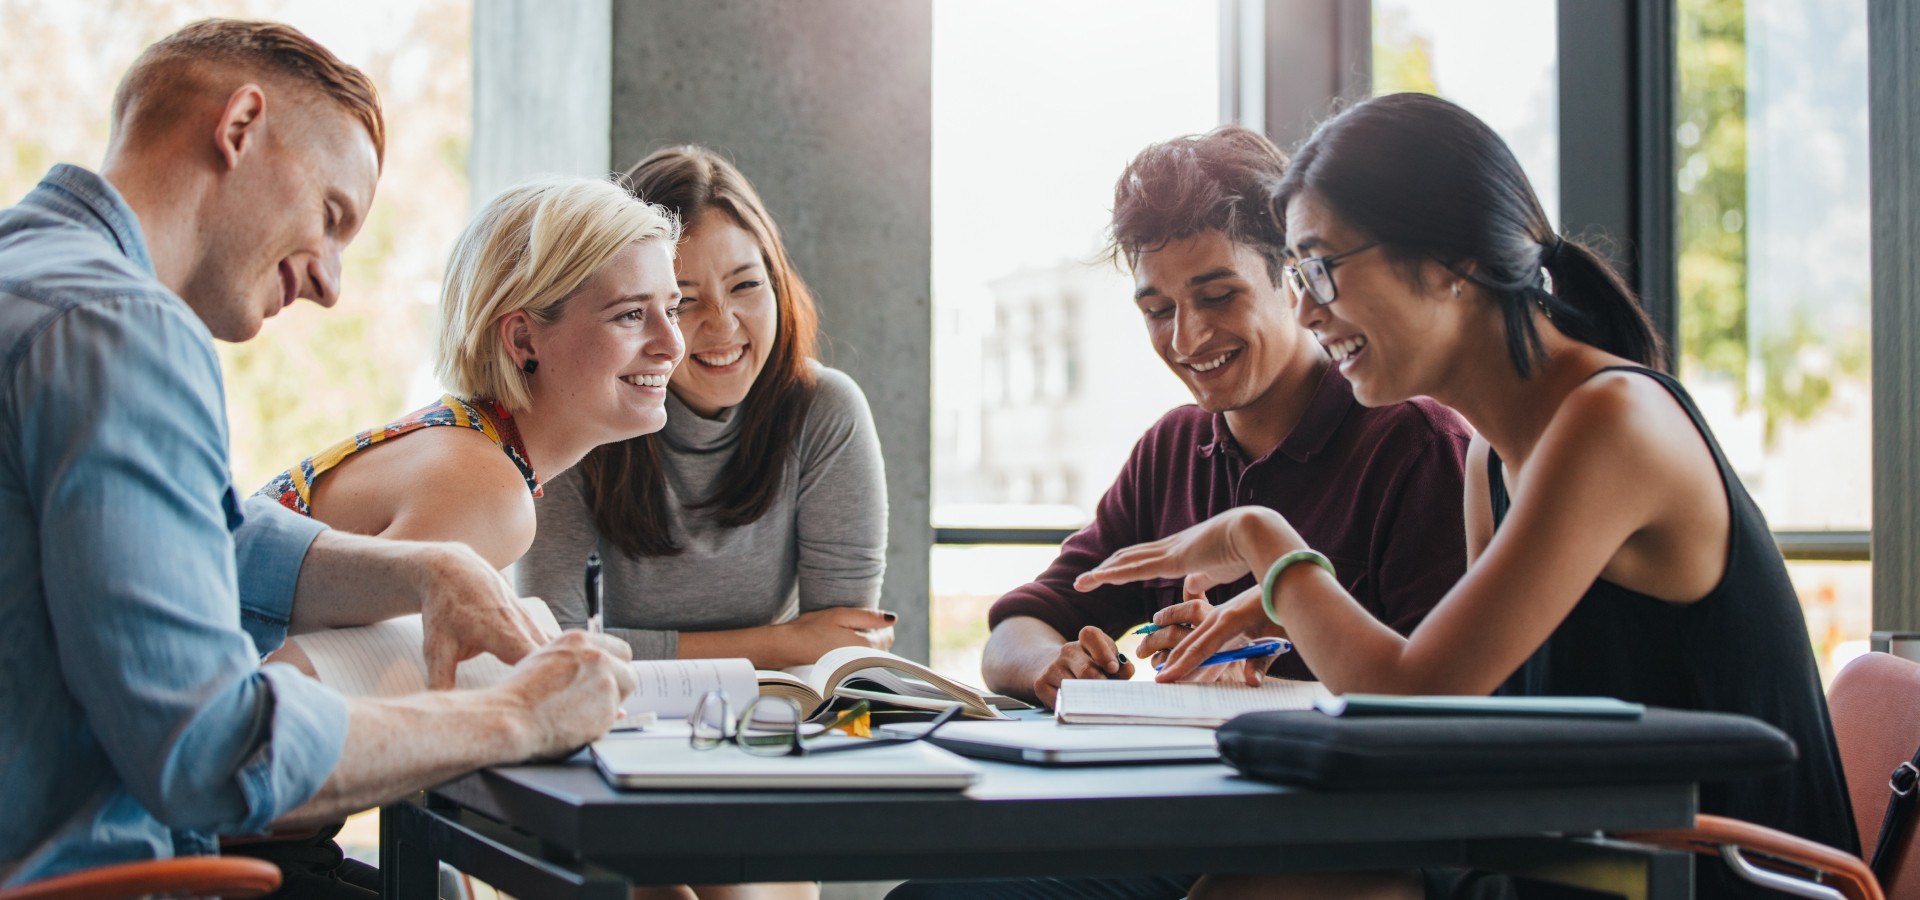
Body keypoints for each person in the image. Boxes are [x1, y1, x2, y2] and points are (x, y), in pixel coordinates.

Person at [1079, 93, 1858, 900]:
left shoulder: (1610, 423)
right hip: (1584, 861)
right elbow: (1460, 719)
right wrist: (1287, 609)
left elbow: (1411, 697)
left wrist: (1262, 541)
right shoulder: (1493, 453)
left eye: (1321, 268)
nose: (1307, 311)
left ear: (1456, 262)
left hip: (1707, 877)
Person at [0, 19, 636, 893]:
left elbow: (205, 540)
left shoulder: (29, 277)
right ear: (240, 128)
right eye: (331, 216)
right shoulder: (123, 330)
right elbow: (213, 752)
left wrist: (428, 571)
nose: (331, 283)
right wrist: (515, 717)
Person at [979, 125, 1472, 711]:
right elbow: (1018, 628)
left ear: (1294, 279)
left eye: (1217, 297)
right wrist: (1053, 666)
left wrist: (1267, 644)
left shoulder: (1415, 445)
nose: (1186, 338)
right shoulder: (1172, 449)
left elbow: (1443, 697)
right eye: (1158, 310)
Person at [518, 146, 893, 671]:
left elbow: (839, 645)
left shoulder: (824, 411)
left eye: (745, 285)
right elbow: (555, 646)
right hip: (616, 722)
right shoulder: (579, 413)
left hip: (775, 721)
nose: (722, 325)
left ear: (778, 283)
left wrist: (804, 645)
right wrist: (781, 643)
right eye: (683, 302)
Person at [256, 175, 685, 572]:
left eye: (672, 310)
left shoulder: (469, 445)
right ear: (522, 340)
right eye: (630, 314)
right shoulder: (488, 494)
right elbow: (294, 654)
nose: (673, 344)